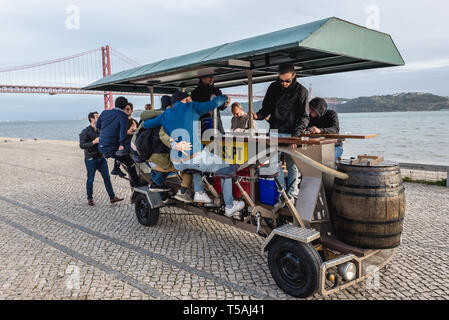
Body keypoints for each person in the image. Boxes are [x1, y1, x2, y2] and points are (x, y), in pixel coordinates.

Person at [143, 91, 245, 217]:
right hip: (194, 158)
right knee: (225, 166)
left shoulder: (165, 115)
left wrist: (161, 114)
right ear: (184, 100)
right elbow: (213, 103)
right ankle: (230, 206)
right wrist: (225, 97)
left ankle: (199, 192)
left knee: (196, 165)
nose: (191, 99)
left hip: (178, 162)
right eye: (189, 98)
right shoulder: (191, 107)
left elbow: (146, 124)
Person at [252, 64, 309, 200]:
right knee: (273, 164)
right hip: (274, 131)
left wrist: (296, 136)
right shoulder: (273, 87)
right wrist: (257, 116)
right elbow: (266, 108)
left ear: (294, 76)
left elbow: (304, 117)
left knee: (292, 165)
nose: (284, 83)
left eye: (287, 81)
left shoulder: (302, 91)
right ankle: (281, 193)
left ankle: (291, 195)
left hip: (291, 133)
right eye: (281, 80)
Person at [79, 112, 124, 206]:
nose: (99, 118)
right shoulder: (85, 131)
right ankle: (90, 198)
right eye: (97, 117)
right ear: (91, 119)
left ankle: (112, 198)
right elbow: (82, 145)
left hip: (101, 158)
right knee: (90, 179)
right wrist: (93, 142)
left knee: (107, 178)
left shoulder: (101, 130)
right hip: (91, 159)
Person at [96, 96, 141, 187]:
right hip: (112, 148)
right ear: (124, 107)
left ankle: (116, 169)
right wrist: (121, 144)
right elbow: (122, 134)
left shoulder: (105, 112)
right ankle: (137, 184)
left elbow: (98, 125)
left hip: (101, 146)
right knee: (130, 162)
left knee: (122, 153)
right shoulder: (123, 115)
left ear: (115, 103)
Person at [308, 97, 343, 162]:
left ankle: (332, 171)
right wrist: (306, 129)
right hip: (318, 146)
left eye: (312, 109)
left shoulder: (332, 114)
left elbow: (335, 129)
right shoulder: (311, 117)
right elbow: (307, 127)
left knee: (326, 159)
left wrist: (320, 130)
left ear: (318, 109)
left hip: (335, 146)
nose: (310, 111)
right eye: (310, 109)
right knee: (306, 159)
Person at [111, 102, 138, 177]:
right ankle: (116, 168)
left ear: (132, 110)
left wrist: (135, 130)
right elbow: (115, 134)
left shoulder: (135, 121)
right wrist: (127, 132)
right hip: (124, 146)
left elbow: (138, 134)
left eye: (128, 109)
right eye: (124, 109)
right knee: (130, 165)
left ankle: (116, 168)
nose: (126, 111)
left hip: (133, 146)